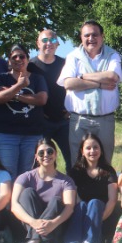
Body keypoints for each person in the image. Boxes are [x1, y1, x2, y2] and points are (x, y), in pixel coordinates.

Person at [58, 20, 122, 166]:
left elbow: (112, 76)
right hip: (79, 120)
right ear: (81, 38)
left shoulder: (113, 55)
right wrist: (99, 83)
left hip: (105, 120)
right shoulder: (73, 56)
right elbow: (68, 83)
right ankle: (80, 190)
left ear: (102, 36)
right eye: (86, 35)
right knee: (78, 162)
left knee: (105, 162)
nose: (91, 39)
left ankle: (103, 189)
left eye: (95, 35)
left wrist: (81, 77)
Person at [11, 139, 76, 243]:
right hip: (30, 224)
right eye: (41, 153)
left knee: (57, 201)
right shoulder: (25, 177)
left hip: (54, 226)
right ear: (36, 157)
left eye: (50, 151)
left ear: (56, 154)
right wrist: (33, 222)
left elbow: (69, 208)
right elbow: (14, 205)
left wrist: (53, 223)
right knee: (27, 193)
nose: (46, 155)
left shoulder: (66, 181)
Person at [0, 44, 48, 180]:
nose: (18, 59)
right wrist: (19, 86)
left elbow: (41, 99)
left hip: (32, 135)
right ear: (9, 61)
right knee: (7, 174)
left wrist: (15, 95)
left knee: (27, 175)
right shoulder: (2, 78)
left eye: (22, 56)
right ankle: (7, 202)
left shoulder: (37, 78)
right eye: (14, 57)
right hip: (6, 135)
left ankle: (22, 202)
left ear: (28, 59)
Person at [64, 133, 118, 243]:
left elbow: (113, 199)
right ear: (82, 151)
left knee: (94, 202)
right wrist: (85, 219)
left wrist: (98, 218)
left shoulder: (109, 171)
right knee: (81, 205)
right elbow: (72, 199)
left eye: (95, 147)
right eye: (88, 148)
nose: (92, 151)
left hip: (103, 217)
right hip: (80, 218)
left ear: (101, 150)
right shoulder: (75, 172)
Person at [28, 29, 71, 166]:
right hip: (42, 122)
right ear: (38, 44)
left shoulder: (65, 64)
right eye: (45, 40)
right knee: (40, 161)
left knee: (73, 159)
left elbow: (74, 87)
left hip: (64, 122)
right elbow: (26, 92)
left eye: (52, 40)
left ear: (57, 43)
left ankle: (73, 187)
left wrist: (72, 108)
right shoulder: (30, 66)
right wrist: (36, 112)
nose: (49, 43)